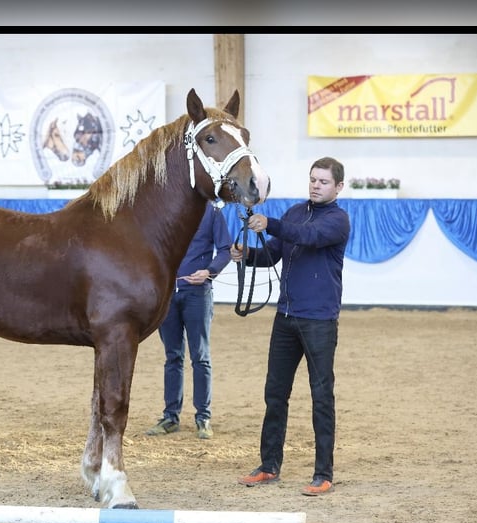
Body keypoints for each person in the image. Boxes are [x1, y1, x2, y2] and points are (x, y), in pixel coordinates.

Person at [232, 156, 350, 496]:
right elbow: (274, 253)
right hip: (285, 318)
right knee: (275, 394)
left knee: (321, 396)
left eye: (323, 181)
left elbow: (306, 237)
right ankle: (269, 466)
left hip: (319, 321)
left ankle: (323, 473)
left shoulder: (337, 221)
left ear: (338, 187)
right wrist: (247, 255)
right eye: (313, 179)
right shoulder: (296, 212)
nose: (316, 185)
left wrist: (269, 223)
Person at [146, 199, 233, 440]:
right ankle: (171, 416)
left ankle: (203, 417)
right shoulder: (164, 209)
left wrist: (209, 271)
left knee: (200, 356)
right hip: (168, 293)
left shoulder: (212, 212)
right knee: (172, 356)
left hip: (197, 293)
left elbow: (225, 249)